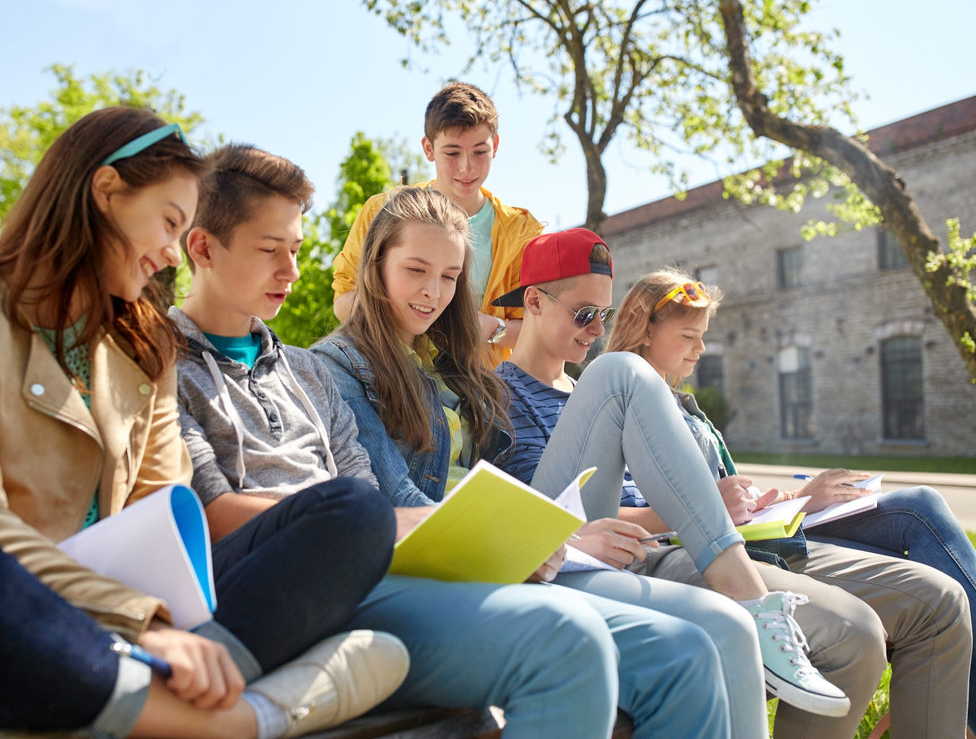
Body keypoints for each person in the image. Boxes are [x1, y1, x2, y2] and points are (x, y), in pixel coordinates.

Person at [0, 108, 410, 739]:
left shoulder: (142, 348)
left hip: (136, 626)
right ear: (106, 191)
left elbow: (162, 512)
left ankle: (117, 711)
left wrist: (165, 622)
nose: (174, 253)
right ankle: (236, 721)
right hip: (1, 612)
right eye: (170, 222)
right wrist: (141, 622)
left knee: (353, 515)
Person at [176, 147, 730, 738]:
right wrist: (488, 538)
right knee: (571, 642)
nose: (291, 271)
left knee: (685, 650)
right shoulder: (173, 365)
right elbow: (228, 510)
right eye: (270, 251)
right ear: (203, 248)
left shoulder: (303, 373)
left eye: (296, 250)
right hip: (304, 587)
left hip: (379, 567)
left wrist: (503, 538)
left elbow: (367, 498)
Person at [603, 267, 976, 738]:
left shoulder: (685, 408)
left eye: (703, 336)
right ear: (644, 328)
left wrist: (781, 499)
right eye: (688, 336)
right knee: (889, 588)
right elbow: (608, 513)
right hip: (707, 556)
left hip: (757, 538)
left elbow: (724, 496)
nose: (700, 348)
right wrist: (707, 508)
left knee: (939, 593)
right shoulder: (613, 401)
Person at [331, 81, 542, 360]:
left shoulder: (522, 232)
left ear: (496, 145)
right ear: (428, 149)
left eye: (480, 152)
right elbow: (344, 301)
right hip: (396, 381)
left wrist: (490, 329)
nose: (467, 167)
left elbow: (541, 325)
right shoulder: (383, 211)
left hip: (483, 392)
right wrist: (411, 312)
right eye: (452, 153)